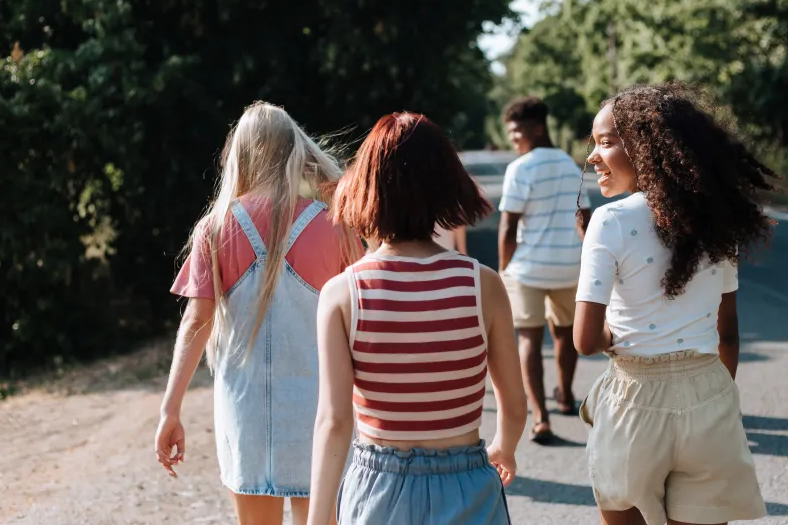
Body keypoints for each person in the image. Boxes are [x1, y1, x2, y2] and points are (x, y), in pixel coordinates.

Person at [308, 112, 527, 525]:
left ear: (366, 188)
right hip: (467, 484)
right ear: (447, 188)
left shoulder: (343, 293)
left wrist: (318, 518)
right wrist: (504, 446)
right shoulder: (483, 284)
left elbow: (334, 421)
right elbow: (513, 405)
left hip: (379, 490)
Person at [574, 83, 773, 525]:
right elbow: (728, 334)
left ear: (646, 148)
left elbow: (586, 340)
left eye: (605, 142)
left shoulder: (609, 221)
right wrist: (718, 399)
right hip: (710, 394)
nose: (592, 156)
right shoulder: (715, 223)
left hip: (634, 400)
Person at [155, 102, 362, 525]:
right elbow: (362, 321)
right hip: (320, 413)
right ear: (294, 151)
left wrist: (170, 410)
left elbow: (196, 322)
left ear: (240, 154)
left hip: (244, 411)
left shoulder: (215, 228)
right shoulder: (334, 225)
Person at [497, 96, 591, 444]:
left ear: (537, 129)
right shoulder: (571, 165)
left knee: (529, 340)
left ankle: (540, 418)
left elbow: (508, 228)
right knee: (565, 333)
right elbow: (585, 218)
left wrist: (502, 270)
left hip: (529, 270)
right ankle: (565, 395)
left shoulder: (520, 169)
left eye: (517, 132)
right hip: (569, 265)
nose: (513, 140)